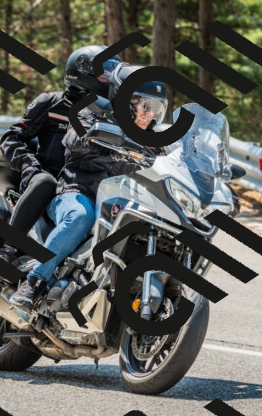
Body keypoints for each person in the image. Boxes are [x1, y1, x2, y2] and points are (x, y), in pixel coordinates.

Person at [10, 64, 169, 310]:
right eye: (145, 106)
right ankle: (34, 282)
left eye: (156, 109)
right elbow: (73, 139)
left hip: (120, 204)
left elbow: (170, 166)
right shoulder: (93, 114)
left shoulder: (154, 143)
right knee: (81, 216)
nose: (150, 115)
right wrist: (93, 138)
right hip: (77, 193)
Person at [0, 46, 122, 265]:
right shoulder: (52, 103)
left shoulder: (109, 114)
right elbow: (12, 137)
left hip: (81, 183)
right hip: (47, 178)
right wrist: (29, 166)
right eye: (105, 73)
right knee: (45, 181)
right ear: (82, 73)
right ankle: (8, 248)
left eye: (112, 73)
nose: (110, 78)